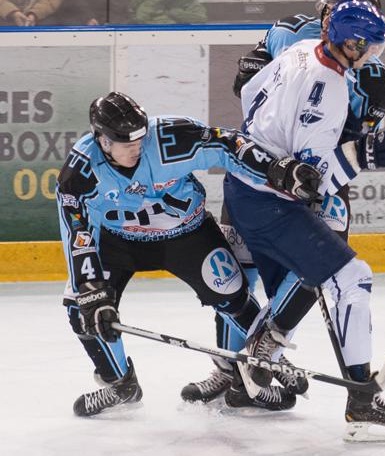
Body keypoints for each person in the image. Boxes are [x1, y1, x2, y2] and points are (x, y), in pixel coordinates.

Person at [181, 0, 385, 410]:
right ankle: (233, 366)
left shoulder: (363, 72)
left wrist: (354, 149)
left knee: (306, 279)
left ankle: (261, 362)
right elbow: (247, 89)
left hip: (313, 177)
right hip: (278, 175)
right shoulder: (290, 37)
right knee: (240, 273)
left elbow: (344, 143)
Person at [227, 0, 385, 442]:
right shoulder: (330, 89)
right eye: (370, 48)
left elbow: (250, 94)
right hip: (270, 203)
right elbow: (310, 183)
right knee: (353, 278)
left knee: (300, 281)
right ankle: (362, 404)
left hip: (242, 186)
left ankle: (262, 349)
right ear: (351, 45)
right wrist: (369, 154)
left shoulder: (299, 50)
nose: (373, 55)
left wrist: (274, 141)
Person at [58, 92, 321, 416]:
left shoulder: (169, 138)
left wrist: (277, 170)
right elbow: (77, 230)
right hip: (117, 241)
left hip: (186, 233)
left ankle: (261, 360)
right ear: (102, 140)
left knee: (232, 295)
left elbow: (226, 144)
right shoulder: (80, 171)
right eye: (126, 143)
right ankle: (120, 384)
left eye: (139, 139)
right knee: (82, 307)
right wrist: (90, 288)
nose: (136, 148)